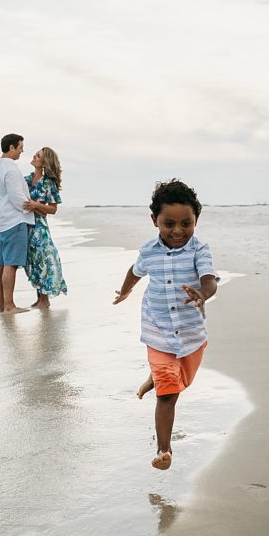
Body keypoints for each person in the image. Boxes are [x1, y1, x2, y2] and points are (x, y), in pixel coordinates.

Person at [113, 179, 219, 470]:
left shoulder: (200, 249)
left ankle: (156, 377)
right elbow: (134, 272)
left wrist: (203, 294)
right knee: (169, 393)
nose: (177, 231)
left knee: (180, 381)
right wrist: (124, 292)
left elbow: (209, 279)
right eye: (168, 223)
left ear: (196, 219)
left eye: (186, 223)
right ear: (155, 221)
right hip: (157, 331)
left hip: (190, 334)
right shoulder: (149, 251)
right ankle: (164, 450)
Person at [0, 133, 35, 314]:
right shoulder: (11, 169)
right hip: (13, 221)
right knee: (11, 265)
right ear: (11, 147)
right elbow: (17, 198)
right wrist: (32, 208)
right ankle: (9, 305)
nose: (22, 151)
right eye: (20, 147)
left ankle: (0, 306)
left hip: (0, 220)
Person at [23, 146, 68, 308]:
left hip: (39, 229)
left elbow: (53, 209)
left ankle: (44, 299)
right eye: (35, 154)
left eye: (38, 156)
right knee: (33, 262)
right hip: (25, 227)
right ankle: (40, 299)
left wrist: (36, 205)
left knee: (44, 259)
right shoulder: (26, 180)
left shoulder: (48, 183)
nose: (34, 157)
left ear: (44, 162)